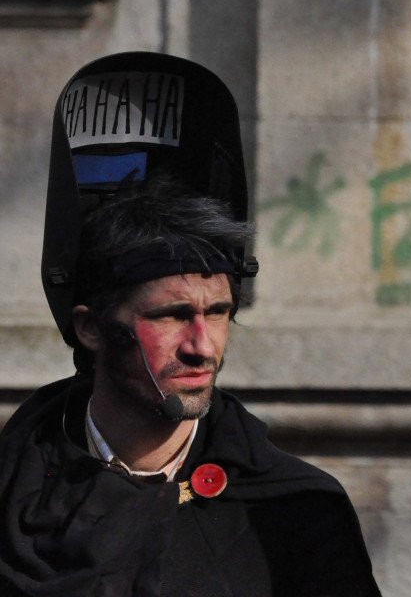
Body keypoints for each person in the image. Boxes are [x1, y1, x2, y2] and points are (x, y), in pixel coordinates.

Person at [0, 53, 381, 596]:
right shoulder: (14, 490)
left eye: (219, 313)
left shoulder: (292, 511)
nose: (203, 346)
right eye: (172, 315)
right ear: (90, 329)